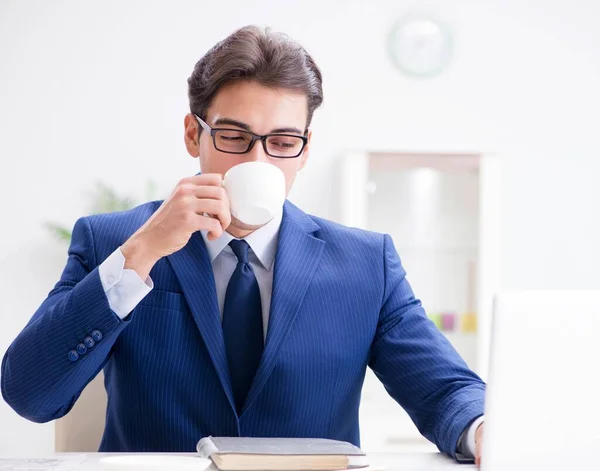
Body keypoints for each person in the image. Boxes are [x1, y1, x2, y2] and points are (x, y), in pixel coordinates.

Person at [1, 25, 485, 463]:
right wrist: (141, 253)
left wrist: (482, 430)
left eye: (281, 141)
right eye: (234, 136)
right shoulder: (114, 241)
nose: (258, 160)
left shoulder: (366, 264)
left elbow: (446, 390)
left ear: (305, 150)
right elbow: (29, 393)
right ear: (194, 135)